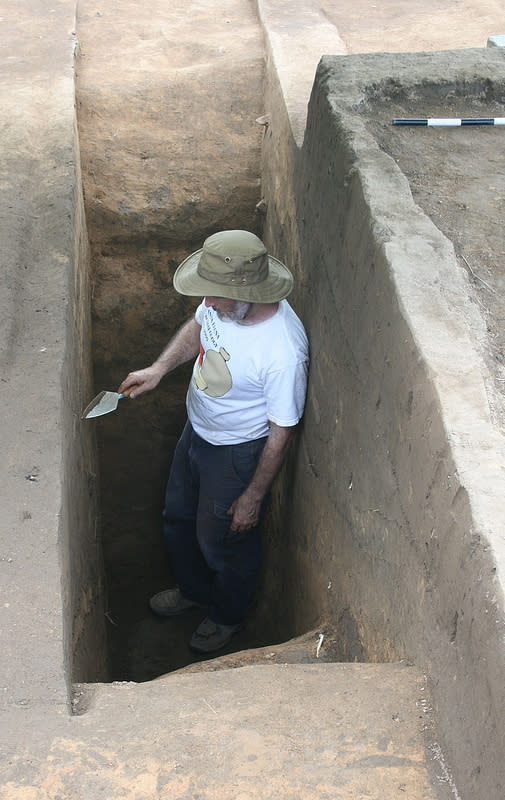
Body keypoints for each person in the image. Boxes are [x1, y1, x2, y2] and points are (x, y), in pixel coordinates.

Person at [119, 229, 309, 653]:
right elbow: (197, 328)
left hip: (238, 454)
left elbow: (282, 431)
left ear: (250, 293)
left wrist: (253, 496)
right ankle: (193, 591)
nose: (207, 303)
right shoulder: (223, 306)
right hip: (197, 433)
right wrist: (159, 369)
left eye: (215, 296)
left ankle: (226, 616)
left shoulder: (282, 352)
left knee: (224, 541)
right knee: (177, 517)